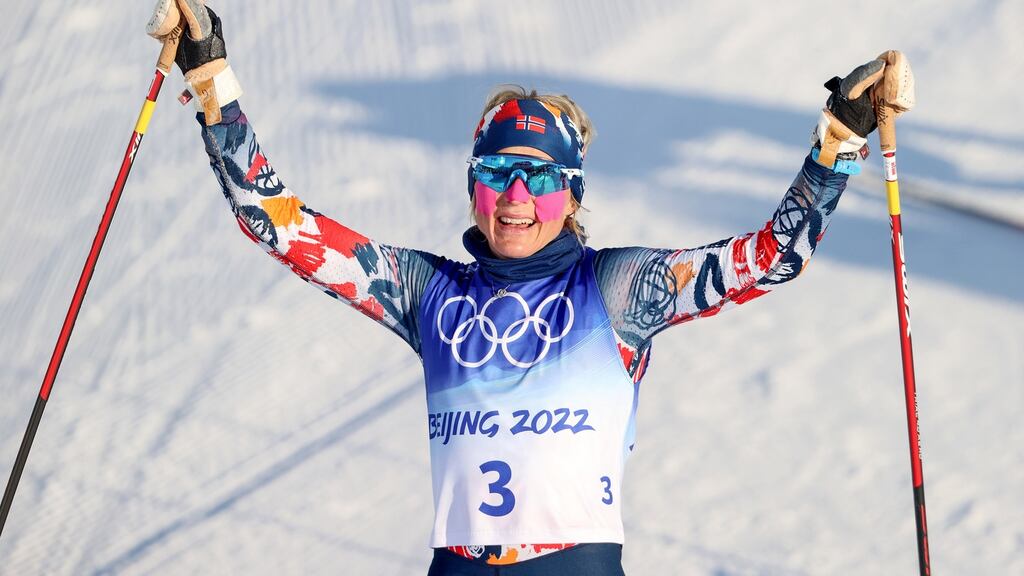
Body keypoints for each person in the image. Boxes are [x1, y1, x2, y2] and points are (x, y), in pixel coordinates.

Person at [148, 1, 896, 573]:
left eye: (538, 178)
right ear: (474, 188)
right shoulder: (425, 291)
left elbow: (767, 259)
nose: (514, 196)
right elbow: (281, 224)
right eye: (496, 174)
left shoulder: (617, 286)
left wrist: (839, 140)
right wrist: (212, 78)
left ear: (571, 195)